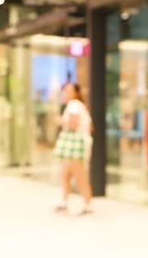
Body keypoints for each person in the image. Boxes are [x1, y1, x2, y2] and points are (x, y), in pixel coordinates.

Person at [54, 83, 93, 215]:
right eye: (64, 90)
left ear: (76, 92)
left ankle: (87, 204)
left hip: (75, 146)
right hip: (74, 146)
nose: (65, 93)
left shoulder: (74, 105)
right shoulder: (77, 105)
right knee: (65, 174)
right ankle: (65, 202)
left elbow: (73, 124)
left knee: (79, 175)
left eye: (68, 91)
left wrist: (60, 121)